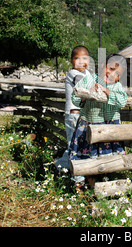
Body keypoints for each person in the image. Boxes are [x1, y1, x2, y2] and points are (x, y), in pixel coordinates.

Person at [68, 53, 128, 186]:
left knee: (108, 162)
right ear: (102, 65)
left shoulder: (116, 87)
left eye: (117, 73)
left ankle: (105, 185)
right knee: (86, 159)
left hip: (109, 129)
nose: (112, 74)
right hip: (89, 126)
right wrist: (87, 94)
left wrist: (106, 91)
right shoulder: (88, 80)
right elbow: (75, 97)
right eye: (111, 69)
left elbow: (123, 101)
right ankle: (83, 185)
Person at [54, 46, 90, 174]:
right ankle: (77, 177)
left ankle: (59, 166)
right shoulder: (73, 74)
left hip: (83, 116)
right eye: (77, 58)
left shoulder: (87, 73)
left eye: (84, 58)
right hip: (74, 114)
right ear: (71, 61)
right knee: (74, 145)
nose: (81, 61)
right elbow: (84, 86)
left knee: (76, 144)